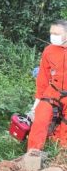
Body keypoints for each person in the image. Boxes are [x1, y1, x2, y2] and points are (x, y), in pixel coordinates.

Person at [27, 19, 67, 153]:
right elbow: (43, 77)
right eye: (51, 33)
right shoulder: (49, 51)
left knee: (64, 129)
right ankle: (33, 153)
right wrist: (36, 104)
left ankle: (61, 155)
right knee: (40, 119)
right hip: (53, 91)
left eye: (57, 33)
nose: (53, 36)